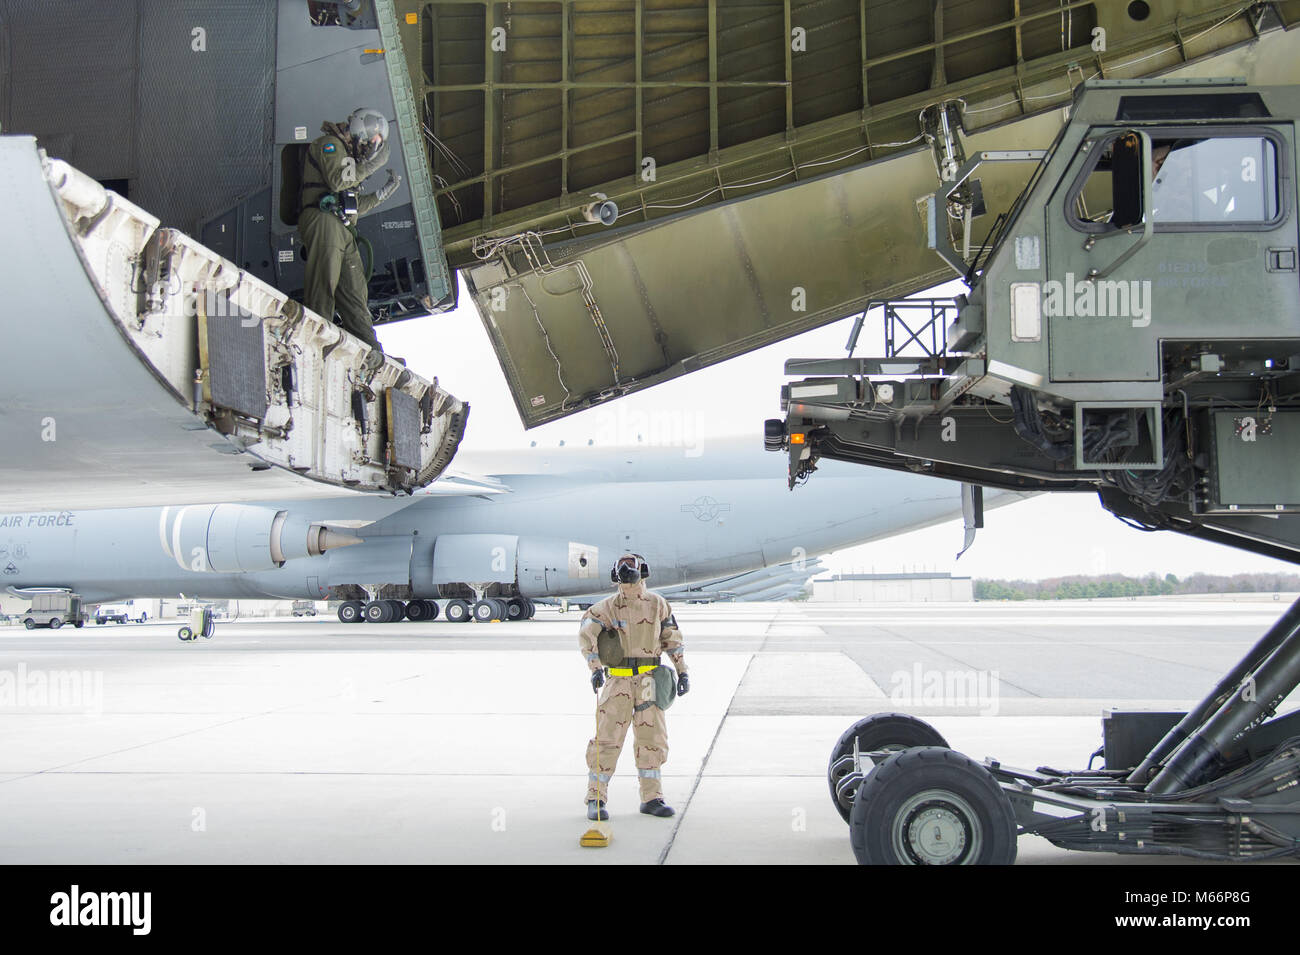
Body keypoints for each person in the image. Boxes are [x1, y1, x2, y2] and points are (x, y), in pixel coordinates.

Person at [578, 552, 690, 820]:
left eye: (632, 567)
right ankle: (596, 798)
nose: (627, 572)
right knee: (607, 739)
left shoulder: (657, 604)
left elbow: (672, 638)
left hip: (649, 680)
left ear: (643, 572)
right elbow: (587, 636)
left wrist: (682, 671)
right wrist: (594, 669)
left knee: (652, 739)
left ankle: (652, 798)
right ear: (615, 574)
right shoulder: (605, 607)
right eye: (622, 568)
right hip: (618, 680)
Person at [298, 107, 403, 379]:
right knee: (324, 286)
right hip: (322, 221)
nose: (368, 150)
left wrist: (381, 194)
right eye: (369, 143)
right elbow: (337, 181)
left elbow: (354, 205)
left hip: (343, 228)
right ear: (358, 132)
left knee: (356, 295)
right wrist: (373, 165)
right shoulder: (329, 145)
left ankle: (371, 352)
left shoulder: (349, 160)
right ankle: (313, 342)